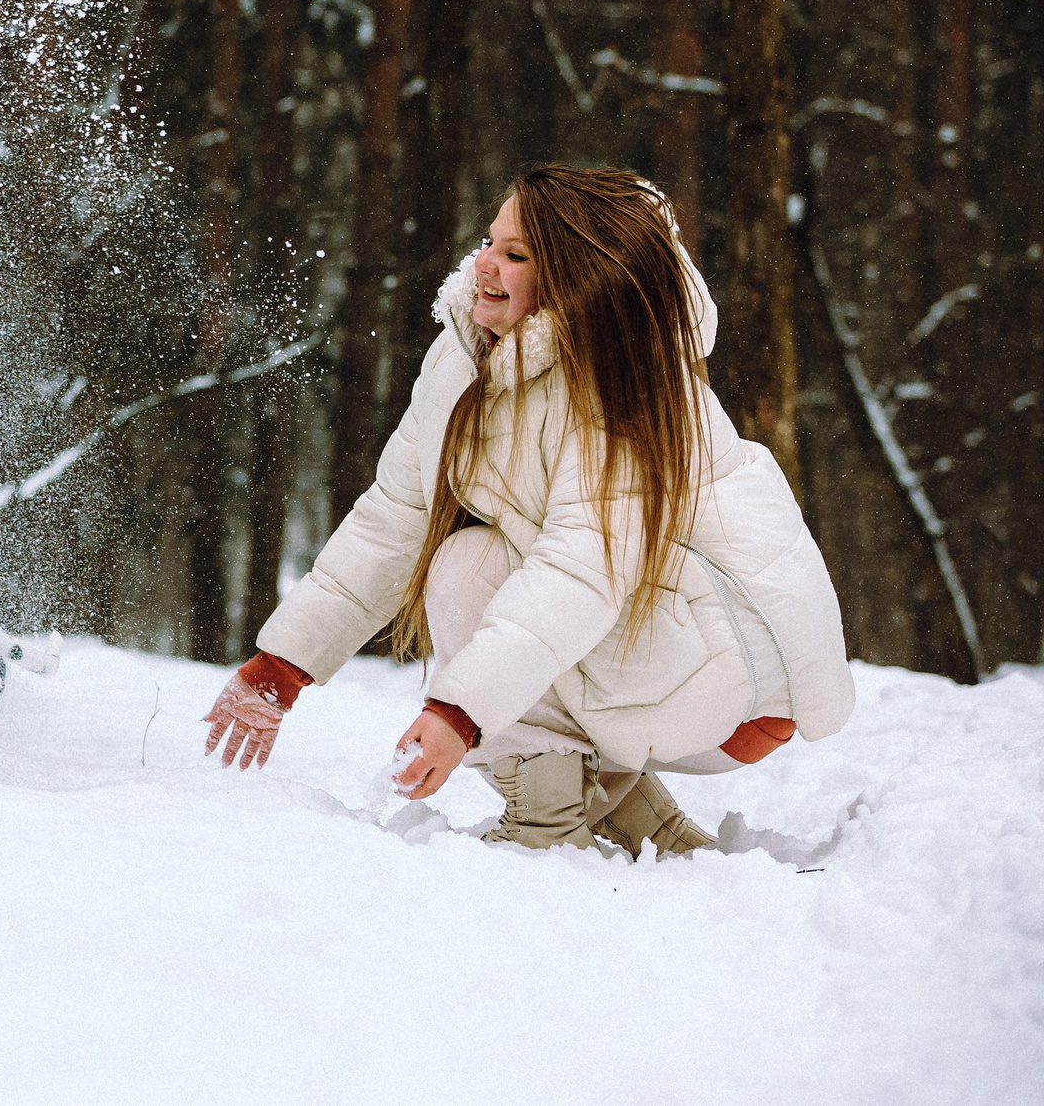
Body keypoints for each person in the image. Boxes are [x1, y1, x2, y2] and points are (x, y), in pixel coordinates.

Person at [202, 165, 854, 853]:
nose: (484, 263)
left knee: (465, 569)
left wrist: (460, 711)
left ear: (575, 278)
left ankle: (548, 820)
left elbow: (583, 571)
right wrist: (282, 666)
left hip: (739, 670)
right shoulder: (462, 362)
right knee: (470, 555)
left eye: (515, 255)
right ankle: (627, 809)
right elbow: (393, 517)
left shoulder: (619, 373)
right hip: (668, 641)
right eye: (489, 241)